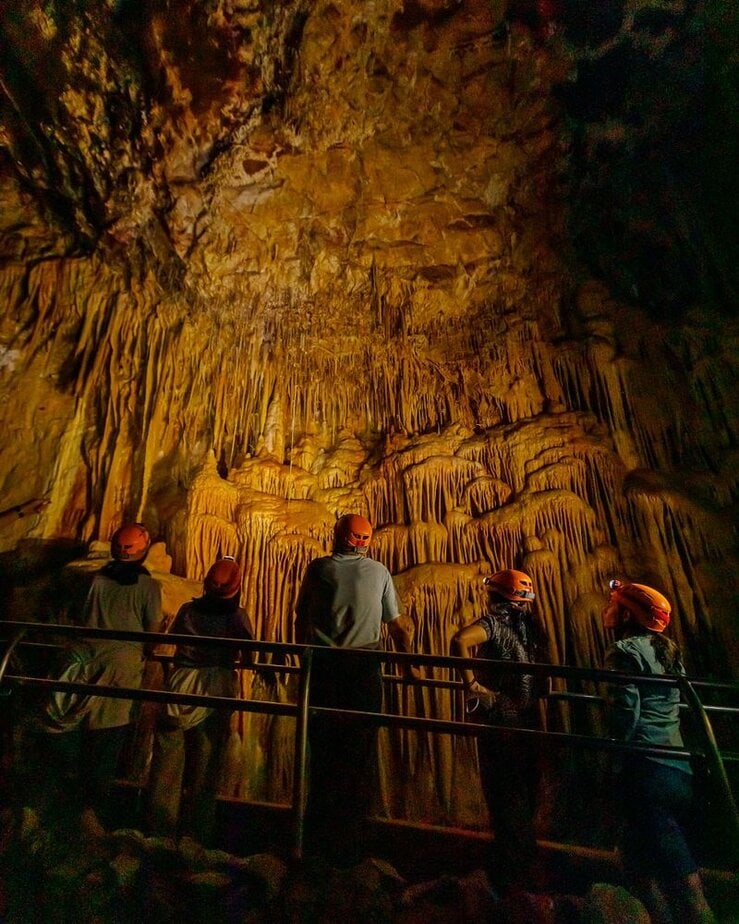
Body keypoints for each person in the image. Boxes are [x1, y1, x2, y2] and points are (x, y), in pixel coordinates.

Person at [294, 513, 418, 865]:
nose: (363, 543)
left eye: (365, 537)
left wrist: (302, 662)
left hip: (324, 668)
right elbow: (397, 626)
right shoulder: (378, 572)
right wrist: (409, 667)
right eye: (361, 537)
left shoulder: (319, 569)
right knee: (357, 753)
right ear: (350, 538)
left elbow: (300, 618)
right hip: (362, 669)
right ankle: (349, 843)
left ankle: (317, 841)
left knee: (323, 753)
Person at [602, 579, 716, 924]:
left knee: (681, 876)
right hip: (677, 768)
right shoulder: (671, 651)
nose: (608, 609)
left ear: (626, 613)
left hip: (645, 769)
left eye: (614, 603)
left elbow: (626, 711)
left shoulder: (624, 652)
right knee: (635, 862)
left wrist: (611, 754)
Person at [40, 522, 162, 833]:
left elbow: (77, 616)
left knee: (73, 737)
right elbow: (152, 633)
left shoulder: (93, 580)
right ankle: (90, 817)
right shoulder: (147, 588)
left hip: (81, 663)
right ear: (143, 550)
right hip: (118, 672)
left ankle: (58, 812)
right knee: (105, 745)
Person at [450, 569, 549, 894]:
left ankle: (508, 879)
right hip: (531, 717)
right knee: (525, 791)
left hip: (504, 717)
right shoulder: (533, 630)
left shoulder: (494, 624)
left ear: (496, 596)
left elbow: (460, 640)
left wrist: (474, 686)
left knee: (505, 793)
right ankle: (522, 867)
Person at [146, 556, 254, 845]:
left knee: (167, 762)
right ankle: (197, 835)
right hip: (214, 688)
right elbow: (249, 654)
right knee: (206, 767)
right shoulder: (237, 616)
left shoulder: (188, 610)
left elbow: (173, 638)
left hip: (180, 684)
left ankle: (159, 830)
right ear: (236, 586)